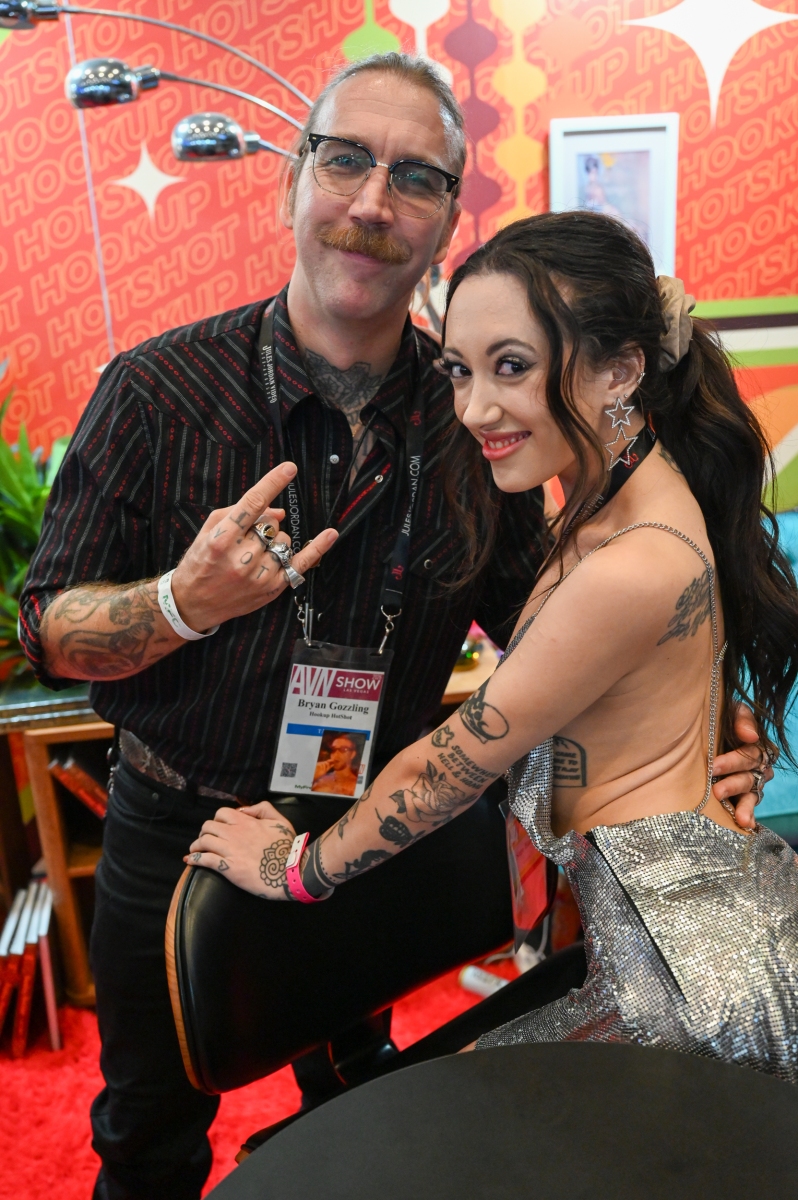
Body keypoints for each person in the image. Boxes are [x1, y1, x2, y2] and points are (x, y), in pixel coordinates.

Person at [20, 55, 768, 1198]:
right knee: (147, 1135)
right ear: (292, 181)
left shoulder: (477, 413)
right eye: (346, 159)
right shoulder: (155, 392)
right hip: (179, 832)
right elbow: (47, 631)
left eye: (416, 177)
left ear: (446, 221)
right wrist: (180, 603)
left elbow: (555, 614)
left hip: (369, 827)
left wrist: (698, 718)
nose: (373, 201)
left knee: (369, 1106)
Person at [189, 211, 798, 1084]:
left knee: (429, 1126)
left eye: (512, 366)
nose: (475, 408)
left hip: (688, 983)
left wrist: (295, 870)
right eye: (459, 370)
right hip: (663, 939)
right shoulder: (612, 496)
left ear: (622, 369)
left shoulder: (631, 558)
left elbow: (449, 766)